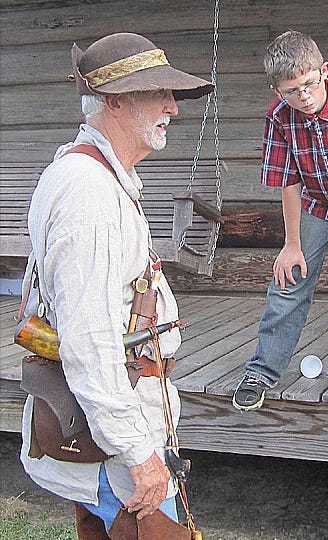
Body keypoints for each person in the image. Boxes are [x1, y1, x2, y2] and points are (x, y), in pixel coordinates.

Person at [18, 33, 213, 537]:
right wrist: (137, 452)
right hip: (116, 434)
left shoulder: (95, 177)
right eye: (159, 94)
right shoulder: (89, 194)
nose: (172, 106)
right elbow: (90, 340)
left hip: (123, 412)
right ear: (115, 101)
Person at [232, 30, 328, 411]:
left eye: (309, 84)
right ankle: (263, 370)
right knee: (289, 279)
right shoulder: (278, 117)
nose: (303, 96)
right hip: (318, 202)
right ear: (276, 90)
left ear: (324, 70)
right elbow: (287, 181)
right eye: (291, 91)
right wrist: (291, 245)